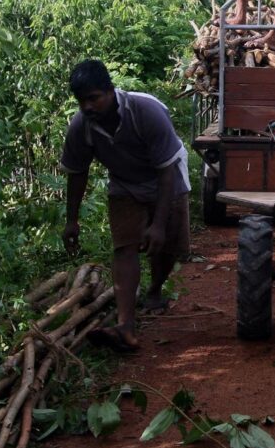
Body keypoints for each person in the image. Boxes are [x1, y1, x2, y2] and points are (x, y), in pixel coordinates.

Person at [59, 60, 191, 351]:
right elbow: (77, 173)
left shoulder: (146, 111)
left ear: (110, 91)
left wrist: (157, 224)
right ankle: (126, 325)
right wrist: (72, 220)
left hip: (166, 177)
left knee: (167, 245)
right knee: (125, 247)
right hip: (125, 183)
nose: (88, 106)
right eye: (82, 101)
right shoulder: (82, 126)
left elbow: (166, 170)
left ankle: (155, 289)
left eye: (94, 98)